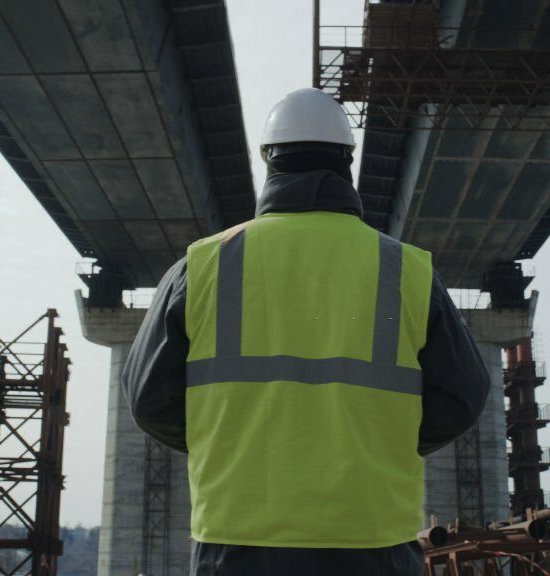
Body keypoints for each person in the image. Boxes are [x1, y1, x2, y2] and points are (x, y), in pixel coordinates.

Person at [121, 88, 490, 576]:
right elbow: (463, 395)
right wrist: (380, 439)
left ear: (268, 161)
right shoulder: (406, 269)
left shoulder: (203, 266)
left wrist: (230, 439)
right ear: (347, 163)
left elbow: (149, 397)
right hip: (374, 538)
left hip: (238, 540)